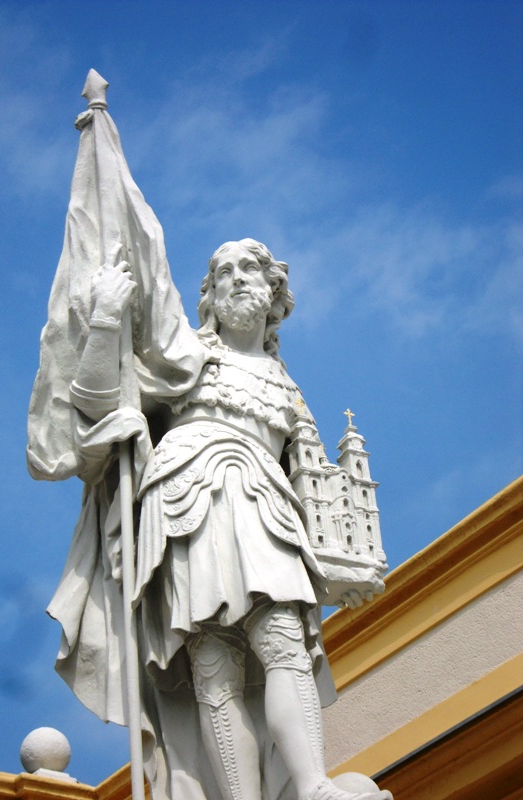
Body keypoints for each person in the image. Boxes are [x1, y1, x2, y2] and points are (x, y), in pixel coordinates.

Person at [58, 238, 389, 800]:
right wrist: (108, 319)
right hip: (188, 498)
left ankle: (312, 786)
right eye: (223, 273)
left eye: (250, 270)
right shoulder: (185, 352)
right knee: (213, 663)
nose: (237, 279)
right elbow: (95, 401)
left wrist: (342, 572)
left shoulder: (288, 387)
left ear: (274, 294)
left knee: (284, 640)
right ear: (207, 297)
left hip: (266, 505)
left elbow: (319, 494)